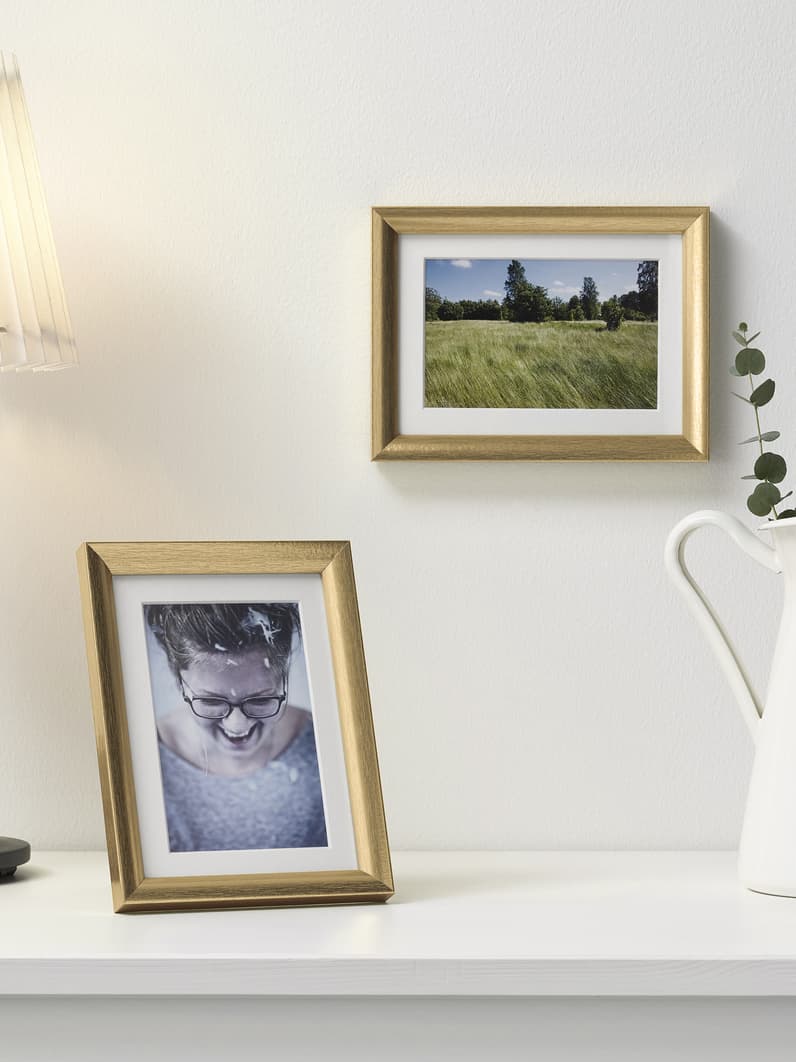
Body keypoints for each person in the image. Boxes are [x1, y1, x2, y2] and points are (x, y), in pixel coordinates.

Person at [144, 602, 328, 853]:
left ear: (283, 676)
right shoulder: (145, 760)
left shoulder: (327, 745)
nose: (238, 725)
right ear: (180, 682)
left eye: (261, 699)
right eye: (211, 701)